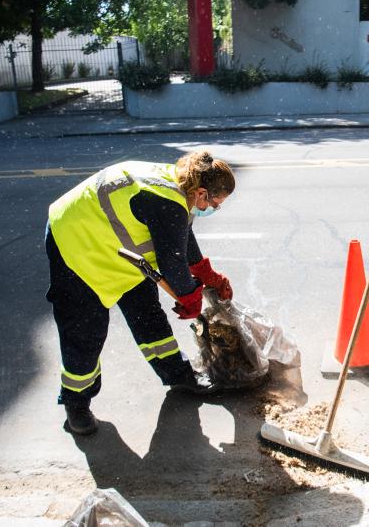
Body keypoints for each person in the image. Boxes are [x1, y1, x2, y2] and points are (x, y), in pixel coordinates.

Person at [46, 152, 235, 436]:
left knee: (147, 314)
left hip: (121, 250)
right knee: (85, 332)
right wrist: (190, 297)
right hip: (77, 246)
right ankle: (76, 402)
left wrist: (206, 274)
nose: (213, 209)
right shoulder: (167, 199)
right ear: (202, 192)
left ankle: (176, 373)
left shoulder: (181, 186)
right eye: (214, 204)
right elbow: (172, 263)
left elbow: (181, 237)